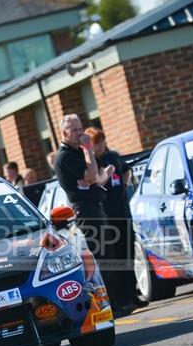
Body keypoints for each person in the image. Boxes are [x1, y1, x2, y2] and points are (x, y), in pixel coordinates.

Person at [53, 115, 136, 317]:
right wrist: (89, 149)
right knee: (104, 257)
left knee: (111, 255)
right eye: (74, 130)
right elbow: (91, 176)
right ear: (64, 134)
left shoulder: (78, 152)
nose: (80, 133)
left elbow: (98, 177)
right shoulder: (66, 156)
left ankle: (120, 301)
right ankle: (110, 306)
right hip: (86, 210)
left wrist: (102, 172)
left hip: (97, 206)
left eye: (81, 128)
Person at [84, 127, 148, 309]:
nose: (100, 146)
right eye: (97, 143)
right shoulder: (91, 163)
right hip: (107, 217)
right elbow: (95, 181)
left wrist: (126, 181)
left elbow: (127, 169)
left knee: (129, 255)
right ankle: (121, 298)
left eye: (102, 141)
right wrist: (107, 174)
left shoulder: (112, 156)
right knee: (117, 258)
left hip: (123, 213)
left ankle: (133, 294)